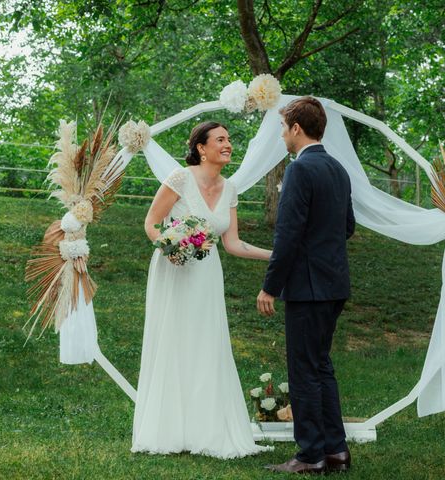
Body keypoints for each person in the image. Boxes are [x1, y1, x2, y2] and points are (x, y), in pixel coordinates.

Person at [132, 121, 273, 458]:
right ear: (201, 148)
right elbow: (151, 222)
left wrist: (277, 256)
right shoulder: (180, 179)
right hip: (175, 269)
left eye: (229, 140)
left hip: (207, 273)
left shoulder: (231, 188)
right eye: (220, 140)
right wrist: (171, 246)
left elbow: (234, 243)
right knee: (175, 341)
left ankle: (207, 429)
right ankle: (169, 430)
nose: (228, 145)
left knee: (207, 343)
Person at [257, 97, 355, 474]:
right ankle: (336, 452)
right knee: (321, 367)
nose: (282, 135)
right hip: (335, 284)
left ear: (297, 128)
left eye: (283, 128)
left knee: (303, 371)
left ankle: (310, 454)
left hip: (308, 287)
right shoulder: (339, 169)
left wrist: (270, 286)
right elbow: (347, 227)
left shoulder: (300, 170)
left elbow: (287, 235)